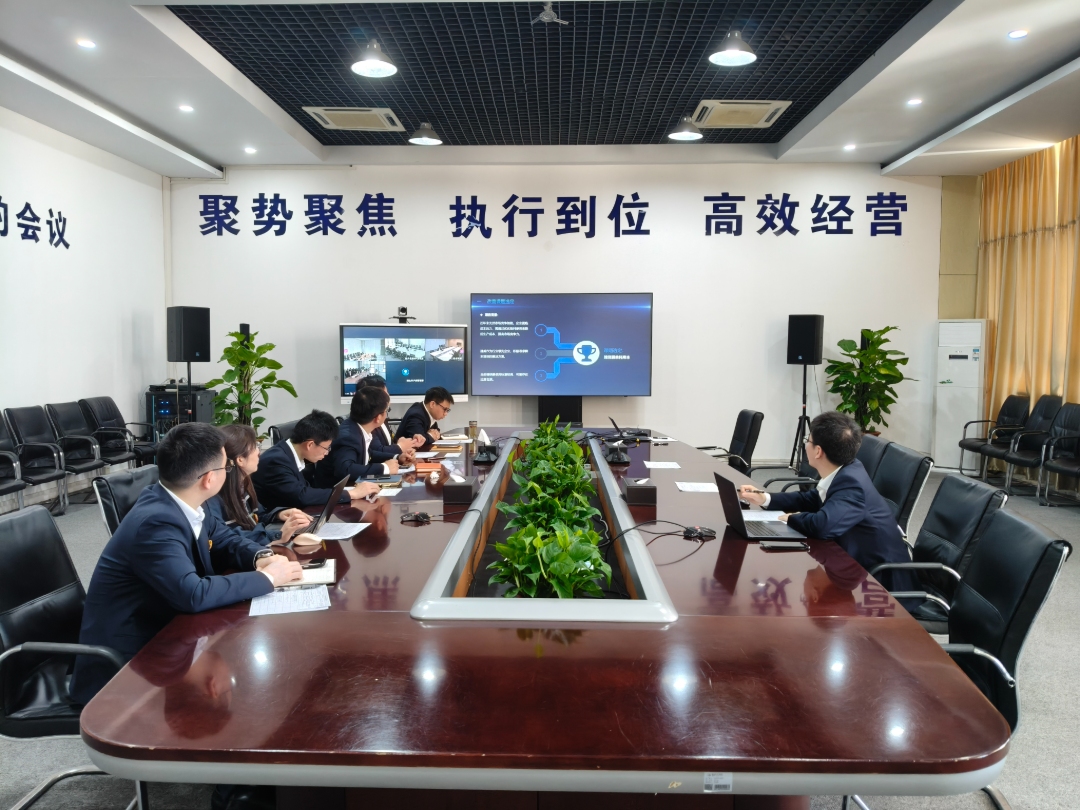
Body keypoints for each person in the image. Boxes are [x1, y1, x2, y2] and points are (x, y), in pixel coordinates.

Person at [71, 423, 304, 705]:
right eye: (226, 467)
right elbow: (193, 593)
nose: (228, 472)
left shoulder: (186, 501)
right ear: (209, 479)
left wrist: (261, 557)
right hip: (129, 665)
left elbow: (225, 539)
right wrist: (268, 579)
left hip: (167, 632)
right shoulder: (156, 522)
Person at [737, 411, 918, 593]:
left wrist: (792, 518)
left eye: (807, 440)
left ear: (818, 451)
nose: (805, 445)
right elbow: (812, 499)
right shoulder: (847, 468)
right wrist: (765, 498)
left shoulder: (852, 485)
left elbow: (823, 526)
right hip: (859, 571)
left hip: (883, 587)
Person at [205, 424, 314, 546]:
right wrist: (277, 535)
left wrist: (278, 514)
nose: (259, 451)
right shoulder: (213, 499)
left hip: (255, 548)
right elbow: (228, 539)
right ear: (240, 459)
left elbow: (257, 516)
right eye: (255, 447)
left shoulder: (244, 485)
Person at [251, 409, 379, 510]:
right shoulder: (276, 461)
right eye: (326, 448)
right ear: (310, 444)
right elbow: (302, 496)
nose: (327, 453)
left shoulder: (289, 452)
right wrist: (352, 494)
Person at [316, 386, 400, 486]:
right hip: (335, 492)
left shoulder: (356, 427)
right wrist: (384, 468)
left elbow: (368, 454)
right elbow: (346, 469)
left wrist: (397, 457)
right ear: (378, 418)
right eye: (387, 410)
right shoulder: (348, 437)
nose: (387, 414)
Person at [358, 375, 424, 464]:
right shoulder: (367, 421)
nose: (388, 397)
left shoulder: (382, 415)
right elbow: (376, 451)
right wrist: (400, 447)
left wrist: (410, 444)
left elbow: (387, 445)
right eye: (386, 394)